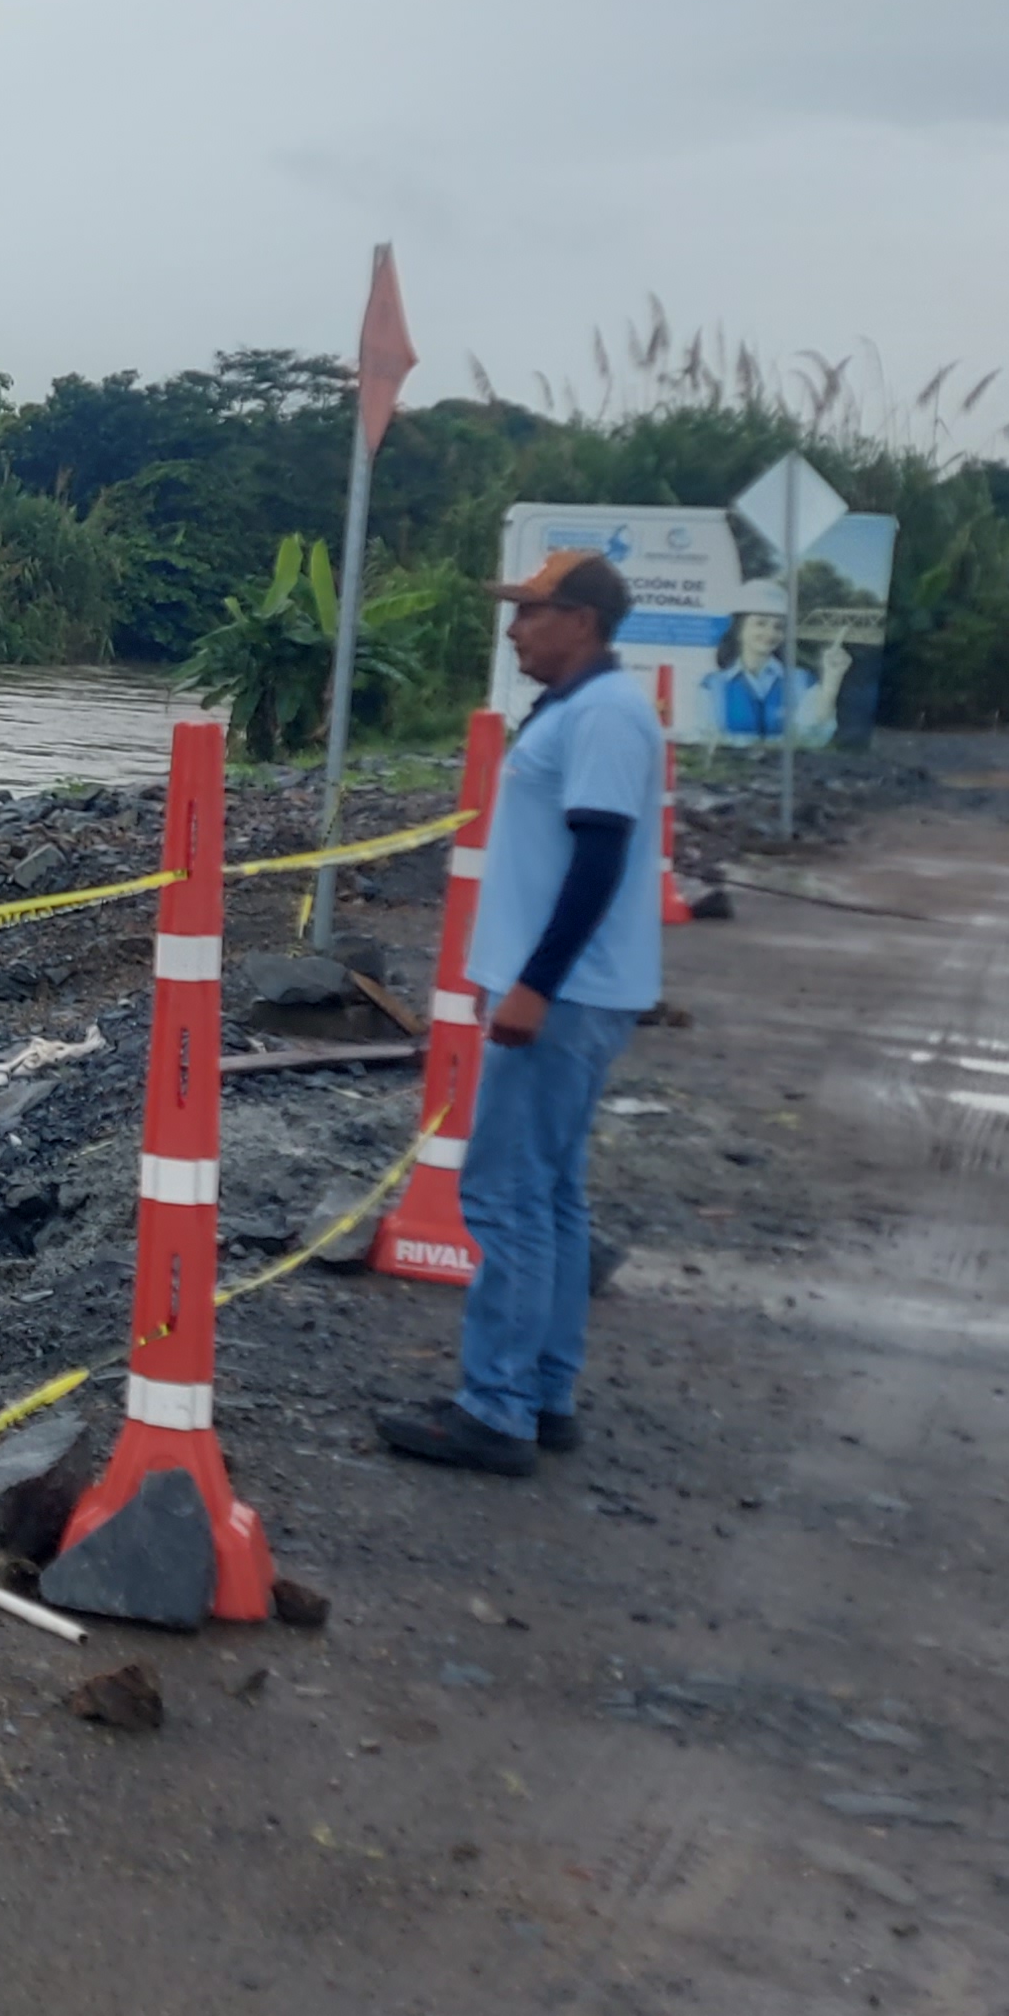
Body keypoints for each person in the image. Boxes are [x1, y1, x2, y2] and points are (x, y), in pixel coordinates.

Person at [378, 547, 671, 1477]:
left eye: (531, 613)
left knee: (505, 1195)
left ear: (580, 621)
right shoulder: (586, 708)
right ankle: (541, 1393)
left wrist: (536, 984)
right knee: (549, 1194)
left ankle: (496, 1407)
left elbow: (598, 860)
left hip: (566, 997)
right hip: (569, 991)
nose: (515, 631)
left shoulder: (605, 715)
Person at [710, 591, 850, 745]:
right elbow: (704, 738)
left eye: (778, 627)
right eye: (760, 623)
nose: (770, 633)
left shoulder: (802, 680)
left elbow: (815, 735)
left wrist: (832, 678)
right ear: (738, 630)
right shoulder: (712, 684)